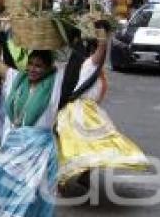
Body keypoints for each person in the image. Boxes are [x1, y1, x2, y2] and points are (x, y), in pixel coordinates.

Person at [0, 45, 69, 217]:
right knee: (6, 197)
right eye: (30, 64)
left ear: (49, 68)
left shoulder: (55, 84)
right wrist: (0, 38)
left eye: (39, 66)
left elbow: (78, 63)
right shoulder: (16, 79)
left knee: (26, 199)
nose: (33, 69)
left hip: (38, 152)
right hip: (13, 149)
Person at [56, 22, 149, 189]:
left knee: (89, 145)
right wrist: (102, 34)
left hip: (87, 109)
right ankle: (63, 177)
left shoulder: (87, 67)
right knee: (80, 145)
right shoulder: (89, 64)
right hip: (79, 111)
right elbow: (101, 49)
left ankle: (82, 175)